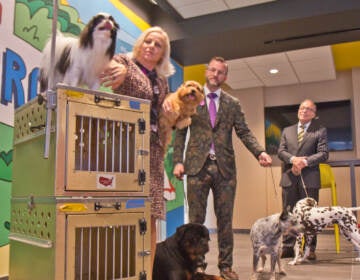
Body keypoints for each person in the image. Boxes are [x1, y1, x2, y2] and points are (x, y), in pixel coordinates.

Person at [172, 56, 272, 280]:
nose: (216, 75)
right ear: (207, 72)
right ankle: (196, 266)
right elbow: (180, 132)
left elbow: (244, 131)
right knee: (195, 221)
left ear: (225, 77)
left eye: (221, 72)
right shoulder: (191, 98)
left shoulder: (232, 104)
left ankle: (226, 267)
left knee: (225, 220)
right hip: (197, 167)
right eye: (213, 70)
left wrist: (260, 152)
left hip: (225, 170)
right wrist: (178, 161)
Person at [100, 26, 175, 266]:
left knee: (150, 216)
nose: (151, 46)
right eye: (148, 41)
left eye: (158, 44)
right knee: (122, 212)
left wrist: (171, 111)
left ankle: (147, 272)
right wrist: (117, 70)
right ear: (140, 43)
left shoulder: (162, 82)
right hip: (124, 146)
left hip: (153, 151)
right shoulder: (124, 62)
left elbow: (168, 115)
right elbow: (107, 66)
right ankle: (120, 269)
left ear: (163, 53)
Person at [278, 99, 328, 260]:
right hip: (289, 177)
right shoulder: (287, 130)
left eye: (308, 109)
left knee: (310, 215)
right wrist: (293, 160)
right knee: (288, 213)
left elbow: (323, 154)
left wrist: (304, 162)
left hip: (310, 178)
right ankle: (287, 247)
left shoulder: (319, 130)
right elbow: (281, 151)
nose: (303, 111)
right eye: (301, 108)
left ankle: (309, 249)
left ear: (314, 114)